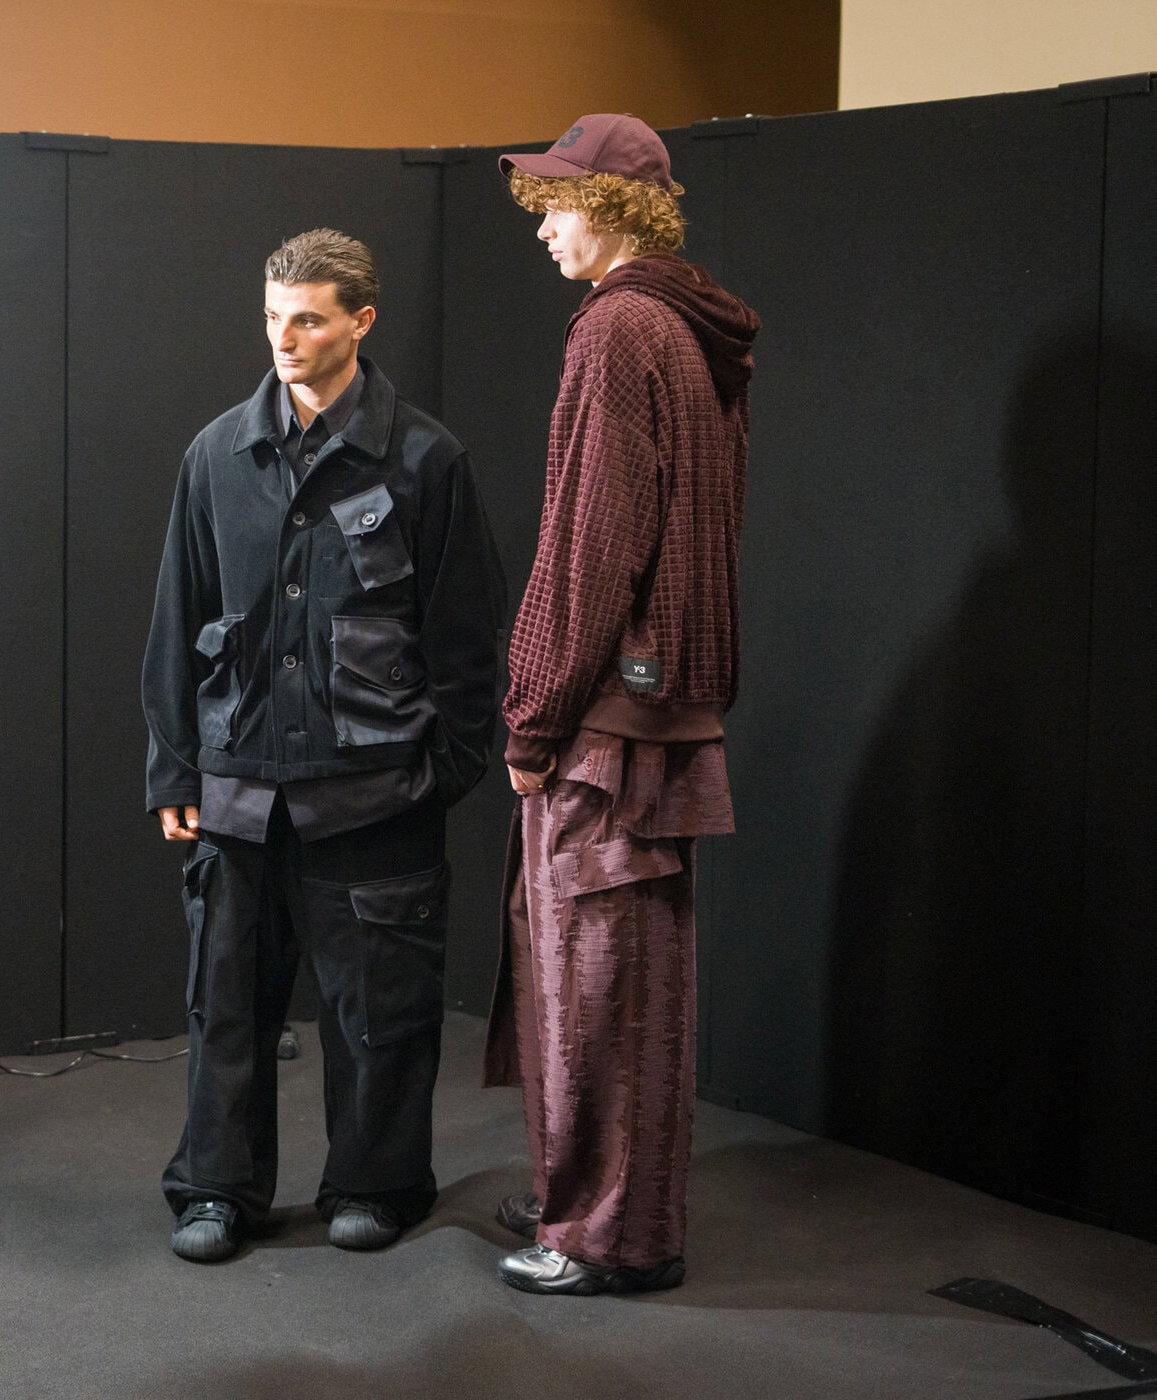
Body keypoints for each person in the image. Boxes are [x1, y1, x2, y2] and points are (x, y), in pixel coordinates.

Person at [142, 229, 504, 1263]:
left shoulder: (426, 459)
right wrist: (175, 766)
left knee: (379, 1013)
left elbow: (469, 639)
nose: (284, 339)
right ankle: (216, 1187)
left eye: (306, 318)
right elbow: (179, 614)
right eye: (271, 317)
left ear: (361, 321)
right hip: (241, 790)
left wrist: (442, 773)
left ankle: (379, 1180)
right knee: (225, 1010)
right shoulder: (216, 455)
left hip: (376, 795)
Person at [483, 114, 759, 1295]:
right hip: (660, 712)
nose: (543, 226)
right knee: (620, 984)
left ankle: (605, 1234)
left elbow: (591, 548)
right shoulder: (690, 332)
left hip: (609, 728)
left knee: (598, 985)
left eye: (560, 203)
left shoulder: (617, 330)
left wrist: (532, 717)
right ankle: (587, 1202)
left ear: (622, 208)